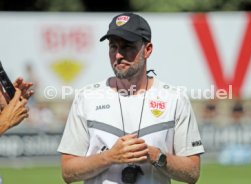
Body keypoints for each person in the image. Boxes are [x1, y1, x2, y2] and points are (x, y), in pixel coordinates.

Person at [58, 12, 204, 184]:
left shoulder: (175, 99)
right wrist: (110, 157)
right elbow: (68, 172)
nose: (118, 55)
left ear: (147, 50)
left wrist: (156, 156)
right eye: (113, 47)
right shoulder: (87, 98)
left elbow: (192, 172)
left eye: (127, 46)